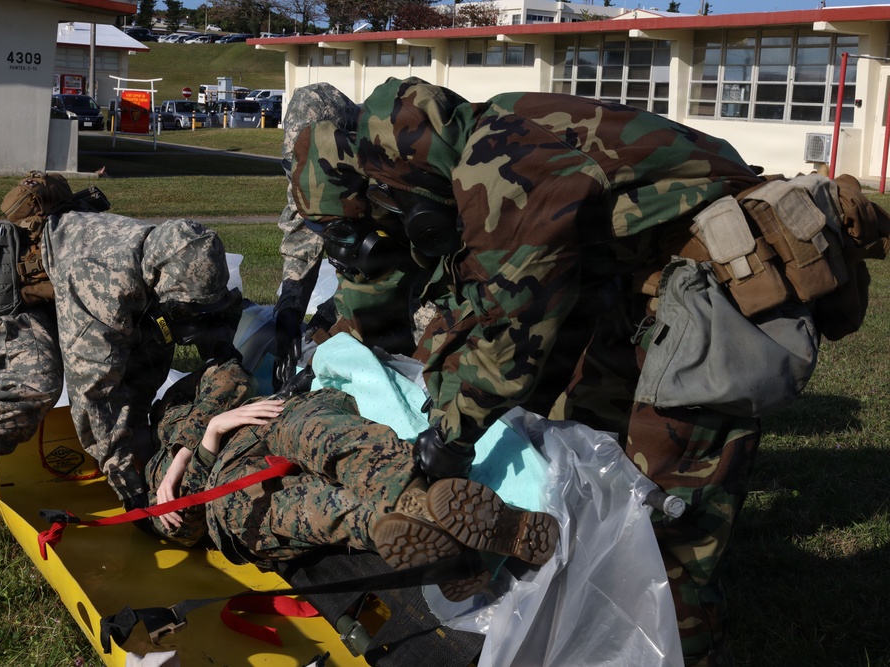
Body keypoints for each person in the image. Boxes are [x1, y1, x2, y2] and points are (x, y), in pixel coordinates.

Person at [287, 77, 890, 665]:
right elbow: (460, 301)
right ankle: (589, 618)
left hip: (714, 296)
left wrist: (447, 438)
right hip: (640, 285)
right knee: (592, 463)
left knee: (669, 520)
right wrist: (334, 349)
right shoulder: (454, 149)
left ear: (403, 190)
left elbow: (510, 332)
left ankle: (681, 645)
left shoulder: (501, 166)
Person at [0, 173, 243, 527]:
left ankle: (141, 465)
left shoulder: (174, 251)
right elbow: (93, 391)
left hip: (64, 289)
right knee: (33, 389)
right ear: (161, 278)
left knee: (143, 363)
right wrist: (132, 494)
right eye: (179, 308)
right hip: (10, 309)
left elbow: (208, 313)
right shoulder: (105, 277)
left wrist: (220, 348)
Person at [145, 358, 558, 603]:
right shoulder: (153, 471)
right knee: (319, 511)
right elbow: (185, 528)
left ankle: (420, 502)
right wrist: (205, 444)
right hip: (232, 497)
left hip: (275, 423)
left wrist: (200, 434)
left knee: (327, 437)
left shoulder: (195, 402)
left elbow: (231, 377)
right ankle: (444, 532)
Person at [272, 83, 437, 392]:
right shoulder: (311, 179)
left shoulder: (397, 167)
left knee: (430, 362)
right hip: (370, 274)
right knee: (317, 340)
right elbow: (301, 244)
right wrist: (289, 311)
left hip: (427, 272)